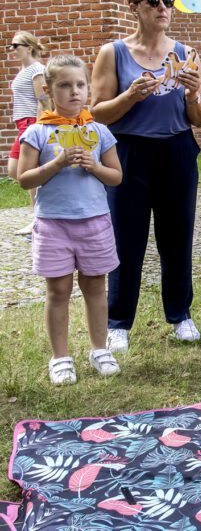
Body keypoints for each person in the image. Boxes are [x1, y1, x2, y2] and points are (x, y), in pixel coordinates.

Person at [91, 0, 201, 353]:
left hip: (177, 149)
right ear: (134, 8)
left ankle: (180, 314)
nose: (163, 8)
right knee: (127, 238)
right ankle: (119, 321)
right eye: (153, 2)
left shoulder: (187, 54)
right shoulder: (114, 52)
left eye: (167, 2)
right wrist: (130, 96)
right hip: (129, 151)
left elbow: (200, 118)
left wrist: (192, 96)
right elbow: (98, 112)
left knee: (177, 237)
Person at [17, 56, 123, 385]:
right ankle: (60, 356)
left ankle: (99, 349)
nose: (74, 91)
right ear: (48, 91)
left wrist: (93, 166)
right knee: (58, 290)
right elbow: (24, 179)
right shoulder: (37, 132)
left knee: (95, 286)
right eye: (64, 85)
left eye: (80, 84)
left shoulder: (99, 131)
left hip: (94, 222)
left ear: (88, 89)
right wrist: (57, 164)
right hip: (53, 224)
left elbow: (116, 177)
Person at [8, 31, 47, 236]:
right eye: (11, 46)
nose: (12, 49)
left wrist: (38, 127)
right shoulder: (23, 70)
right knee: (18, 171)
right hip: (23, 124)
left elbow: (43, 100)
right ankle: (40, 214)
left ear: (29, 47)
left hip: (31, 124)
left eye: (16, 45)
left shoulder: (37, 69)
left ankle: (38, 219)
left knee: (23, 171)